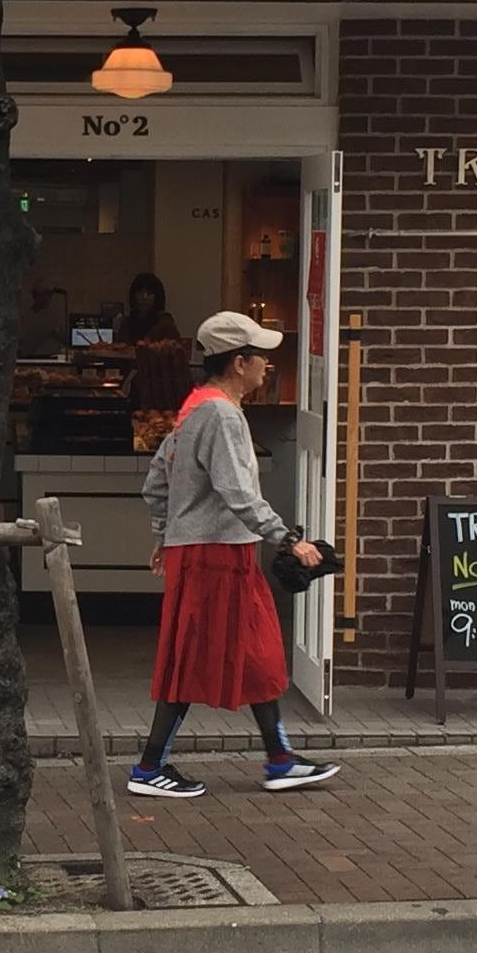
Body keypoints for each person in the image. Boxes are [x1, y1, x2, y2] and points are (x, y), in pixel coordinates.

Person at [128, 311, 336, 800]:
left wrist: (164, 533)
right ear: (238, 363)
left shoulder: (192, 409)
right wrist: (287, 538)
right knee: (199, 657)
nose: (268, 364)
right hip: (218, 554)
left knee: (252, 652)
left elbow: (155, 482)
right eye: (260, 356)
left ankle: (280, 759)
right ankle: (149, 766)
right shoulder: (223, 415)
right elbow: (238, 492)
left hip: (202, 551)